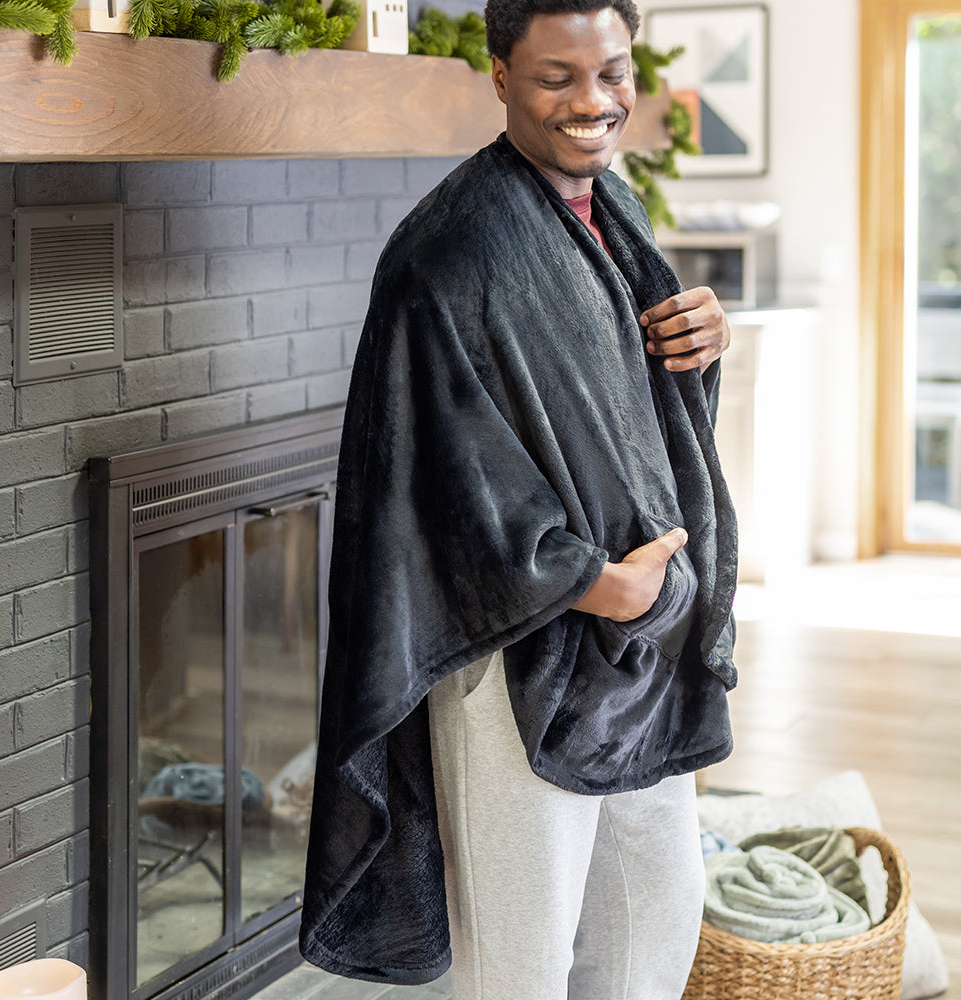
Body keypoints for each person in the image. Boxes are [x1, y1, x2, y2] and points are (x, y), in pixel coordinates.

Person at [299, 1, 739, 997]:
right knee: (519, 962)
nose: (594, 102)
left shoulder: (607, 206)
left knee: (653, 927)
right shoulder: (445, 254)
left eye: (613, 72)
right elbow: (434, 469)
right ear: (499, 77)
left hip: (640, 650)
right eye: (558, 77)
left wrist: (700, 348)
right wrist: (592, 584)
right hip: (514, 653)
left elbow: (623, 408)